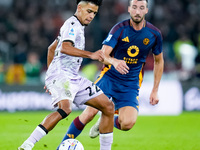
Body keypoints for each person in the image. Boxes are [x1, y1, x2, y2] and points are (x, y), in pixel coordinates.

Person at [58, 0, 164, 146]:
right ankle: (62, 146)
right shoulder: (119, 29)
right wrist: (114, 62)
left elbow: (159, 61)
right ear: (129, 9)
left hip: (131, 84)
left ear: (146, 10)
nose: (137, 11)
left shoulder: (154, 34)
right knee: (89, 114)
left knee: (127, 124)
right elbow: (103, 54)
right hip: (109, 78)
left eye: (141, 8)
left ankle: (104, 121)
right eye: (134, 7)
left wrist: (155, 90)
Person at [18, 0, 115, 150]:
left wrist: (51, 77)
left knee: (108, 107)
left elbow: (52, 49)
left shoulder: (77, 27)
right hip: (62, 75)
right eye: (89, 11)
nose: (91, 16)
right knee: (65, 109)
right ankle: (27, 145)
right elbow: (64, 47)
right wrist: (91, 55)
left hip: (72, 77)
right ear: (79, 8)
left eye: (94, 13)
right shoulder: (72, 25)